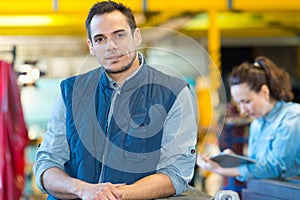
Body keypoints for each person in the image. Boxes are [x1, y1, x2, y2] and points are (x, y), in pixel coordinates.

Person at [33, 1, 197, 200]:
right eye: (100, 39)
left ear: (136, 37)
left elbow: (176, 172)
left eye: (119, 35)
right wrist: (82, 189)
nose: (111, 46)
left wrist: (110, 195)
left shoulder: (173, 92)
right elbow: (47, 164)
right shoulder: (70, 91)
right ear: (91, 46)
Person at [197, 56, 300, 183]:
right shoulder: (257, 123)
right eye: (239, 103)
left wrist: (221, 170)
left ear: (264, 92)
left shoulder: (292, 118)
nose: (243, 111)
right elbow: (257, 165)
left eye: (246, 102)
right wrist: (232, 160)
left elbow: (273, 168)